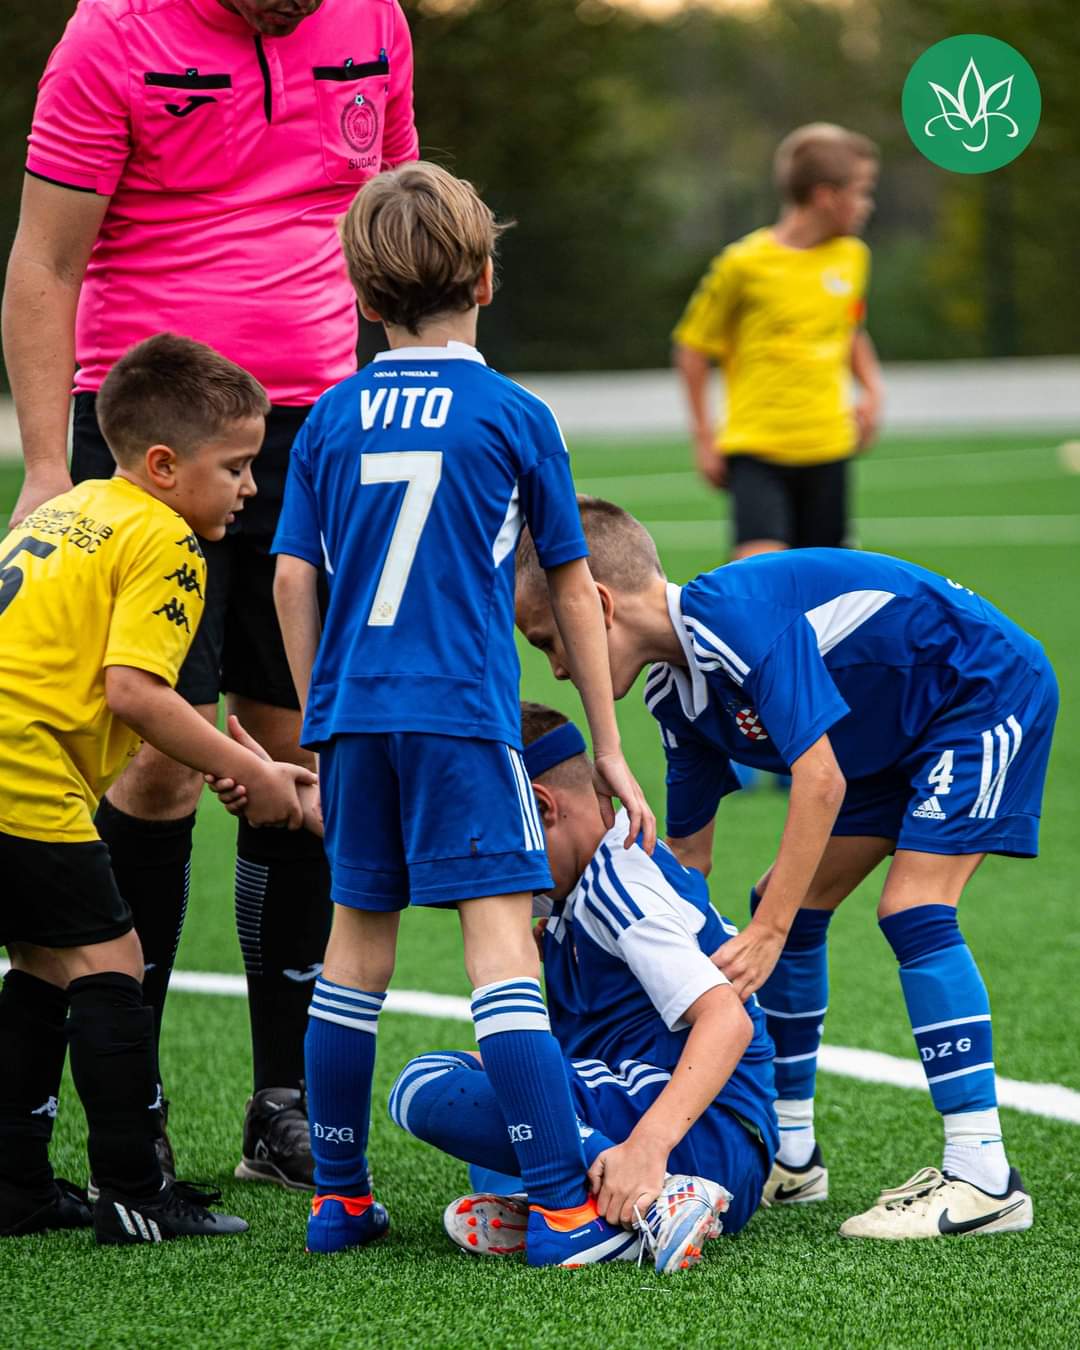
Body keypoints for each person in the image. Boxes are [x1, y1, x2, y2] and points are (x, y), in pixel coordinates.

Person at [2, 0, 420, 1189]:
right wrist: (48, 464)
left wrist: (415, 405)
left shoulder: (374, 19)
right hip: (156, 450)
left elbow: (395, 225)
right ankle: (132, 1106)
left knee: (303, 750)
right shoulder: (112, 35)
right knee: (161, 762)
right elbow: (46, 260)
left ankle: (283, 1103)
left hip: (319, 433)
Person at [261, 161, 654, 1264]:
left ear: (361, 296)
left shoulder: (329, 418)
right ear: (485, 280)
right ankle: (563, 1212)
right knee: (500, 951)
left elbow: (292, 579)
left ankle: (339, 1201)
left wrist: (320, 721)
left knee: (354, 954)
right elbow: (570, 584)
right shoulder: (516, 414)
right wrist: (609, 747)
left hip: (354, 718)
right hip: (464, 717)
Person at [515, 496, 1058, 1240]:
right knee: (786, 901)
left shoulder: (732, 619)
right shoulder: (675, 696)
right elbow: (687, 862)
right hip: (888, 737)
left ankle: (983, 1175)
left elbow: (821, 779)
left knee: (910, 907)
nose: (554, 666)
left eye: (551, 639)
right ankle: (793, 1156)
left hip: (979, 691)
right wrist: (590, 921)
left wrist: (766, 933)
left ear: (598, 606)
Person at [0, 333, 321, 1244]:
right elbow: (137, 694)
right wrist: (250, 769)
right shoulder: (168, 540)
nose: (250, 489)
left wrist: (232, 760)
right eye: (236, 468)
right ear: (165, 466)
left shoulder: (70, 508)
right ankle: (137, 1190)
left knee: (41, 964)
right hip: (25, 776)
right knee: (112, 964)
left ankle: (16, 1185)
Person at [388, 701, 778, 1274]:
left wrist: (647, 1148)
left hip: (700, 1133)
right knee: (500, 1085)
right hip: (679, 1121)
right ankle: (599, 1211)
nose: (493, 865)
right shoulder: (573, 887)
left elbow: (728, 1020)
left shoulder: (619, 885)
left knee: (424, 1085)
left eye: (495, 841)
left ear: (543, 808)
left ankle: (651, 1195)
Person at [673, 123, 884, 560]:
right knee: (760, 575)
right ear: (826, 196)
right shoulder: (743, 265)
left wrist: (872, 390)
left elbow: (849, 330)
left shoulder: (853, 257)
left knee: (825, 583)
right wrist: (704, 438)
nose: (868, 205)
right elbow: (692, 348)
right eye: (862, 192)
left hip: (829, 446)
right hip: (758, 450)